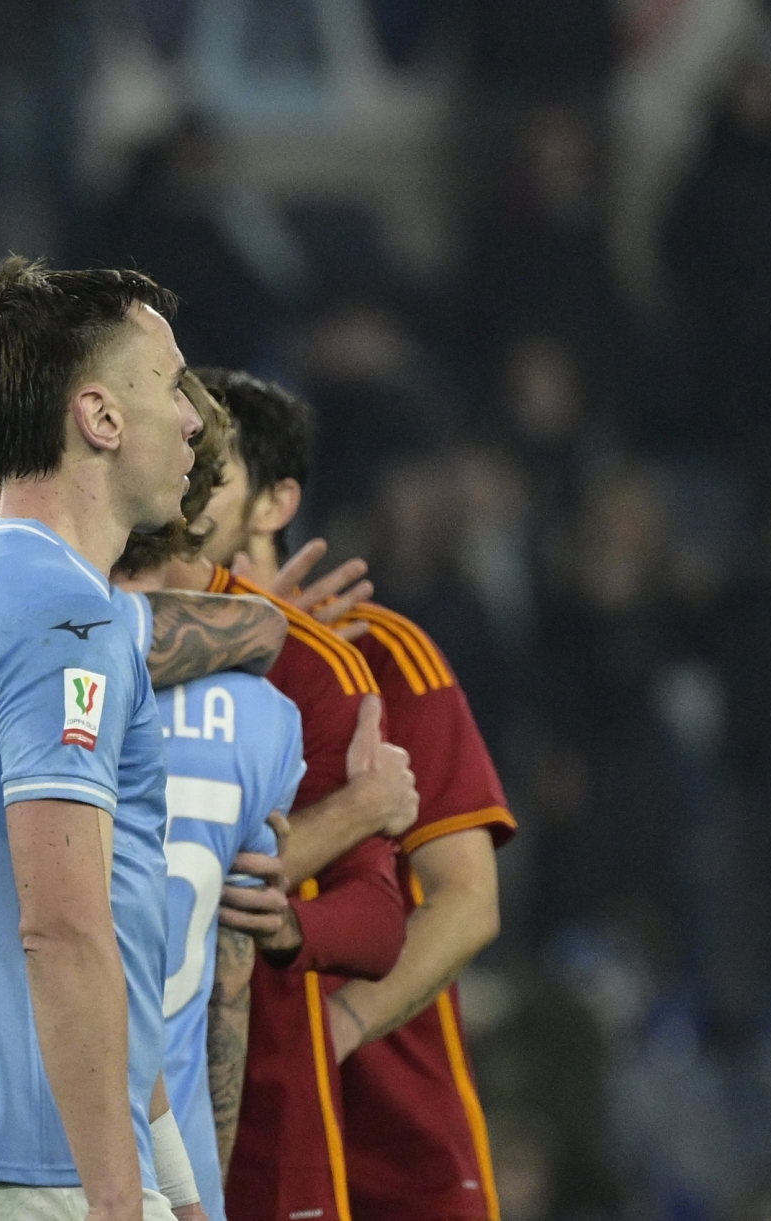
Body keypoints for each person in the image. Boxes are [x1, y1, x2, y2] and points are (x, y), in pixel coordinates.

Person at [0, 258, 280, 1221]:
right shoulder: (61, 615)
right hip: (21, 1158)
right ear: (100, 417)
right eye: (169, 384)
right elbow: (62, 928)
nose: (194, 418)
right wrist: (120, 1199)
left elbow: (112, 942)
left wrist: (174, 1178)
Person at [115, 365, 417, 1221]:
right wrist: (352, 812)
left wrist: (291, 922)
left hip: (262, 1140)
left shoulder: (315, 666)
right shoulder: (48, 609)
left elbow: (383, 914)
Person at [213, 372, 516, 1221]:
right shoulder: (151, 655)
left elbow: (467, 902)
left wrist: (339, 1028)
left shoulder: (378, 655)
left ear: (275, 502)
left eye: (212, 461)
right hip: (238, 1123)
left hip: (392, 1132)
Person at [109, 387, 306, 1221]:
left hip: (16, 1153)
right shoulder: (267, 717)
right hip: (171, 1169)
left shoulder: (26, 644)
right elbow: (233, 977)